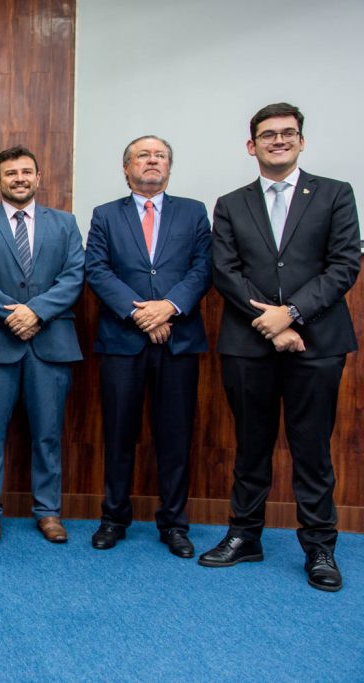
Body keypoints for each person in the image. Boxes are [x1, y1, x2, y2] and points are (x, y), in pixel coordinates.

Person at [201, 103, 360, 592]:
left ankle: (319, 548)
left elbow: (343, 265)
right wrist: (269, 324)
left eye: (287, 133)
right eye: (267, 135)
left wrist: (290, 315)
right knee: (251, 446)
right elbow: (226, 272)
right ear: (252, 146)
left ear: (301, 142)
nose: (278, 141)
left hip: (317, 342)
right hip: (249, 345)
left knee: (312, 449)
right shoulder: (230, 203)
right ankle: (245, 536)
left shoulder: (335, 194)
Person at [85, 136, 212, 558]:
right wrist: (140, 314)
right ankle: (113, 518)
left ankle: (174, 524)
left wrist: (168, 308)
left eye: (160, 155)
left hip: (178, 341)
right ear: (126, 168)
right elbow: (97, 270)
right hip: (123, 341)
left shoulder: (193, 212)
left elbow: (203, 268)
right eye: (143, 155)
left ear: (169, 168)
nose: (152, 160)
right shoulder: (105, 215)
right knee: (119, 434)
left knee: (175, 437)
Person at [0, 146, 84, 545]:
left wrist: (35, 313)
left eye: (26, 172)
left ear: (38, 177)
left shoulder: (65, 224)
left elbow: (73, 277)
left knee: (48, 435)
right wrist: (12, 315)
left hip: (50, 343)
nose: (19, 178)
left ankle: (48, 511)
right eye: (10, 173)